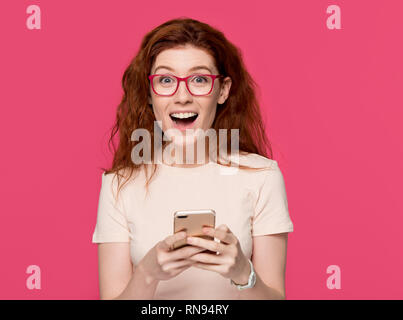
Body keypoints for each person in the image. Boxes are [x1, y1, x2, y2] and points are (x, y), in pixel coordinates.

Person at [91, 17, 294, 300]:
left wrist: (241, 272)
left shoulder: (262, 176)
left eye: (199, 79)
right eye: (165, 80)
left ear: (222, 90)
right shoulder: (119, 185)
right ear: (150, 94)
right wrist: (148, 273)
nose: (182, 96)